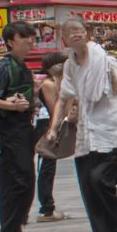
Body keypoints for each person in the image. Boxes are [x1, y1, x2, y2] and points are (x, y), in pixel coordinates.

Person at [47, 16, 117, 232]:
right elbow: (63, 97)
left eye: (79, 30)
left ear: (87, 33)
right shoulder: (69, 65)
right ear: (63, 39)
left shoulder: (105, 61)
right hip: (85, 133)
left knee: (100, 180)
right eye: (69, 31)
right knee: (88, 185)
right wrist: (54, 128)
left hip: (108, 129)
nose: (75, 34)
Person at [0, 21, 40, 232]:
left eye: (32, 37)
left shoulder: (21, 66)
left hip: (23, 128)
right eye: (24, 37)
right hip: (11, 129)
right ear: (9, 42)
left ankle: (15, 228)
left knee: (24, 179)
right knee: (17, 179)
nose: (30, 42)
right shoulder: (4, 67)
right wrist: (11, 105)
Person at [34, 52, 70, 222]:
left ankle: (48, 207)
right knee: (46, 167)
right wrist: (53, 129)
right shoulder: (48, 84)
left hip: (50, 125)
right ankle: (46, 209)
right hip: (46, 126)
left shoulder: (57, 82)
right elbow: (54, 107)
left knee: (49, 167)